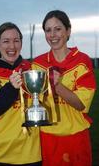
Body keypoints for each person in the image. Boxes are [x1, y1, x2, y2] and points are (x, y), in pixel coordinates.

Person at [32, 10, 96, 166]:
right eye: (48, 30)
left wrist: (57, 86)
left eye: (58, 29)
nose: (53, 34)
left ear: (68, 31)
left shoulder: (82, 61)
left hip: (76, 138)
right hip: (47, 137)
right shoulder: (37, 64)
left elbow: (81, 104)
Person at [0, 22, 42, 166]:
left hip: (32, 155)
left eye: (16, 40)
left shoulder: (31, 69)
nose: (12, 46)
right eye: (6, 41)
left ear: (21, 43)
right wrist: (11, 88)